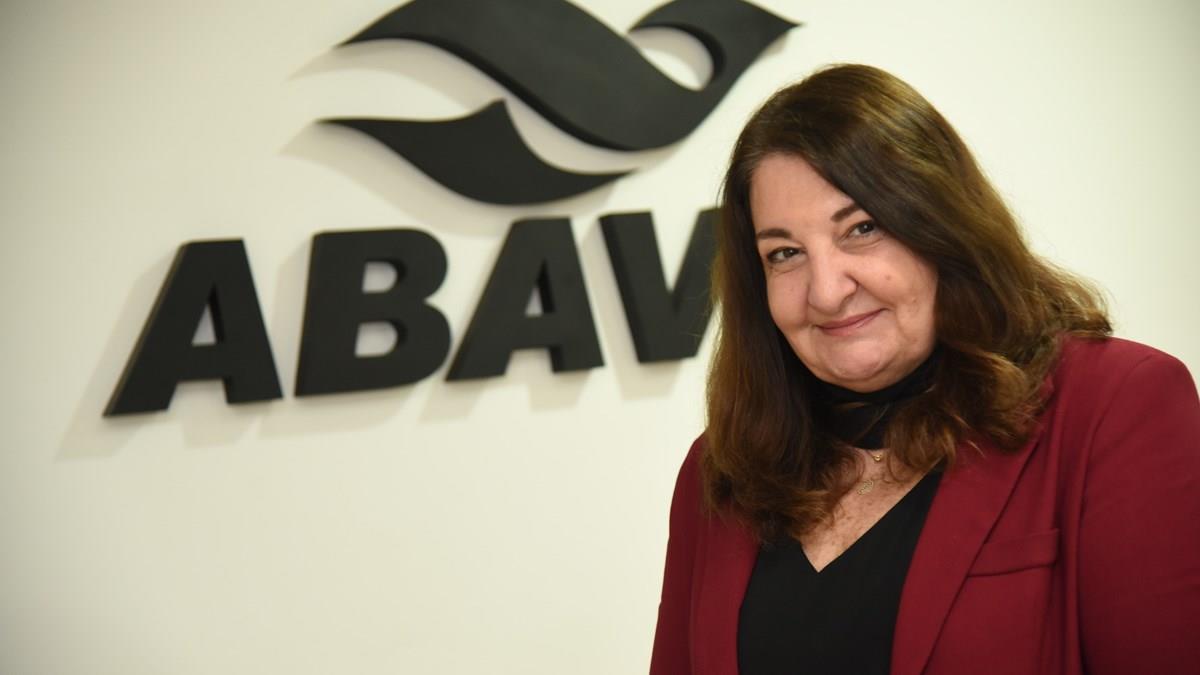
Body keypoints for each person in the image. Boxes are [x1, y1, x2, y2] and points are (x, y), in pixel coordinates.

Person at [648, 64, 1200, 675]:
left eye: (862, 229)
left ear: (941, 226)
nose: (826, 291)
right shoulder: (724, 470)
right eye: (785, 253)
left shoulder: (1114, 405)